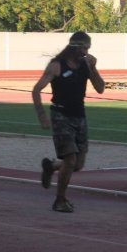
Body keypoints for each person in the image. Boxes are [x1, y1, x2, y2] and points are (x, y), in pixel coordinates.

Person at [32, 32, 105, 213]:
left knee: (78, 164)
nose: (85, 52)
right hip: (60, 115)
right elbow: (36, 89)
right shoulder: (57, 66)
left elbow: (100, 88)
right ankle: (60, 199)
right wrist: (42, 115)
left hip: (79, 116)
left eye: (87, 49)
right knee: (70, 160)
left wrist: (94, 68)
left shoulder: (86, 66)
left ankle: (51, 166)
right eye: (83, 48)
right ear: (74, 47)